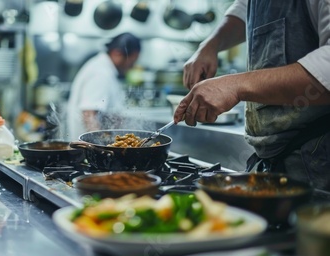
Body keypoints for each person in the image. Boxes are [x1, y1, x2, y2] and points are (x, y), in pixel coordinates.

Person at [176, 0, 330, 189]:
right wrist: (211, 44)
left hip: (320, 157)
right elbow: (247, 7)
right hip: (277, 159)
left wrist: (236, 85)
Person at [66, 32, 141, 141]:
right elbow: (89, 114)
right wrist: (100, 146)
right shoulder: (100, 73)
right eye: (131, 62)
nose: (131, 67)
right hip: (87, 150)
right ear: (117, 53)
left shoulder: (104, 69)